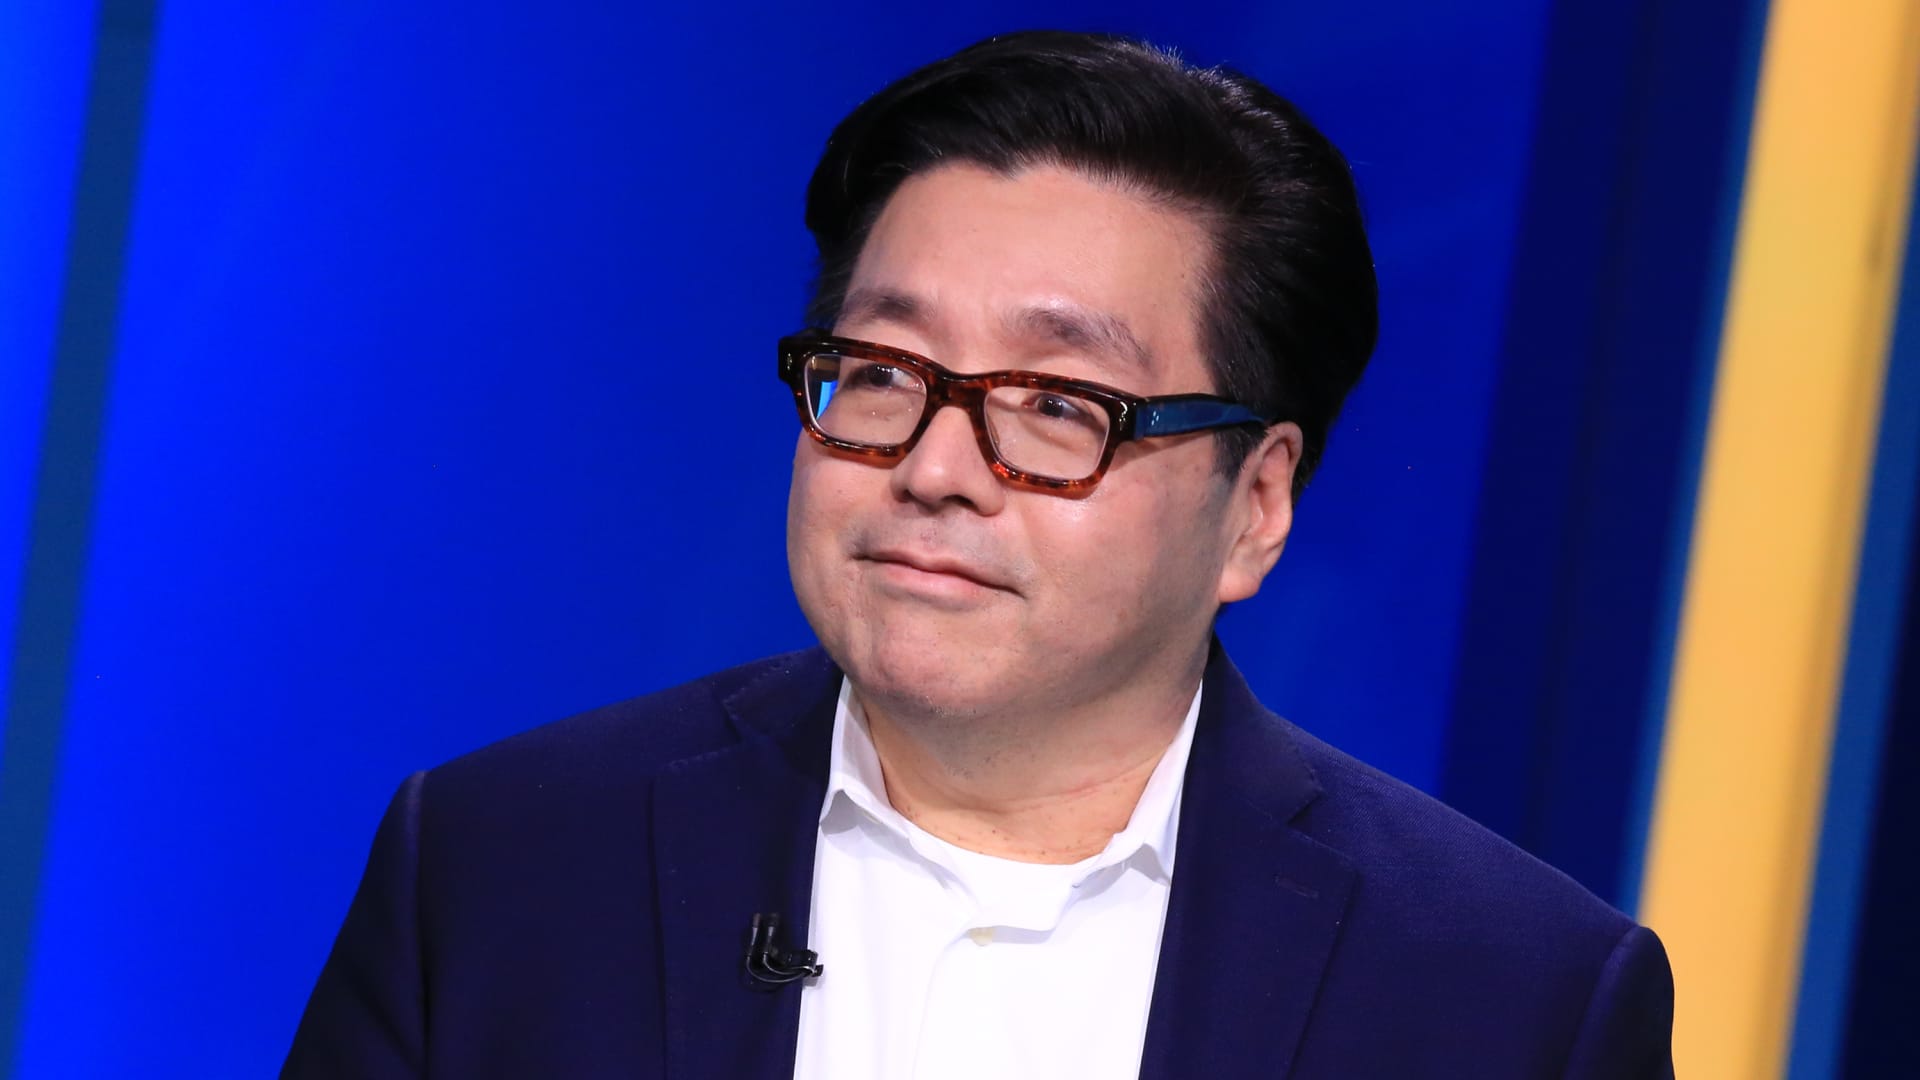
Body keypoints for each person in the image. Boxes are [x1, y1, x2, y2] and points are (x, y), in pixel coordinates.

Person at [285, 30, 1674, 1079]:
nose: (936, 468)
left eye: (1057, 406)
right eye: (883, 373)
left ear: (1255, 504)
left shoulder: (1512, 1000)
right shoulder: (498, 864)